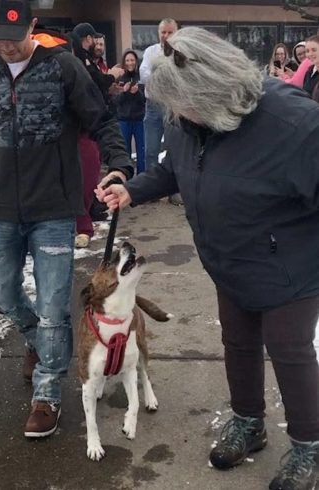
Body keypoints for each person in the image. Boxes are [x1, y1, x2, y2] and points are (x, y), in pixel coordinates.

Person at [96, 27, 319, 490]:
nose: (175, 116)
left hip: (290, 267)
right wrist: (131, 190)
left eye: (181, 107)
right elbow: (172, 168)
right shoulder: (190, 119)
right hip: (227, 259)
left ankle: (309, 445)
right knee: (237, 342)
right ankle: (248, 423)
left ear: (212, 91)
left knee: (289, 350)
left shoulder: (296, 125)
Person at [0, 0, 132, 438]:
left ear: (32, 25)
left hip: (53, 208)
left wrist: (118, 165)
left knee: (53, 308)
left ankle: (47, 393)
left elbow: (101, 120)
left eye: (14, 38)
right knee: (4, 294)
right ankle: (37, 343)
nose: (7, 48)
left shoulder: (63, 66)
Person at [70, 22, 125, 249]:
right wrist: (110, 77)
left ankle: (87, 218)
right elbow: (93, 84)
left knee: (91, 173)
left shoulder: (92, 61)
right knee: (84, 175)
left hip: (96, 124)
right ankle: (82, 225)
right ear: (87, 39)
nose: (98, 44)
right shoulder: (76, 60)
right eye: (95, 40)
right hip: (81, 127)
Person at [139, 19, 178, 173]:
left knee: (174, 151)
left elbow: (180, 78)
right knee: (151, 151)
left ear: (176, 33)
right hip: (153, 106)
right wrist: (164, 79)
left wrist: (157, 77)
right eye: (163, 32)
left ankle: (173, 191)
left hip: (173, 107)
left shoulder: (181, 53)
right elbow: (144, 75)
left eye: (170, 32)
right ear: (158, 33)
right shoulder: (150, 52)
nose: (166, 35)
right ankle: (151, 189)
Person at [116, 50, 146, 174]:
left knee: (142, 151)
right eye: (127, 60)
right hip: (124, 120)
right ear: (124, 62)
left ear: (136, 61)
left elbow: (145, 99)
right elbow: (115, 101)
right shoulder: (119, 77)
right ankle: (127, 177)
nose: (130, 63)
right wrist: (124, 92)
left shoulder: (142, 77)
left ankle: (142, 177)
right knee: (125, 151)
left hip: (139, 120)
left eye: (132, 60)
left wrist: (136, 92)